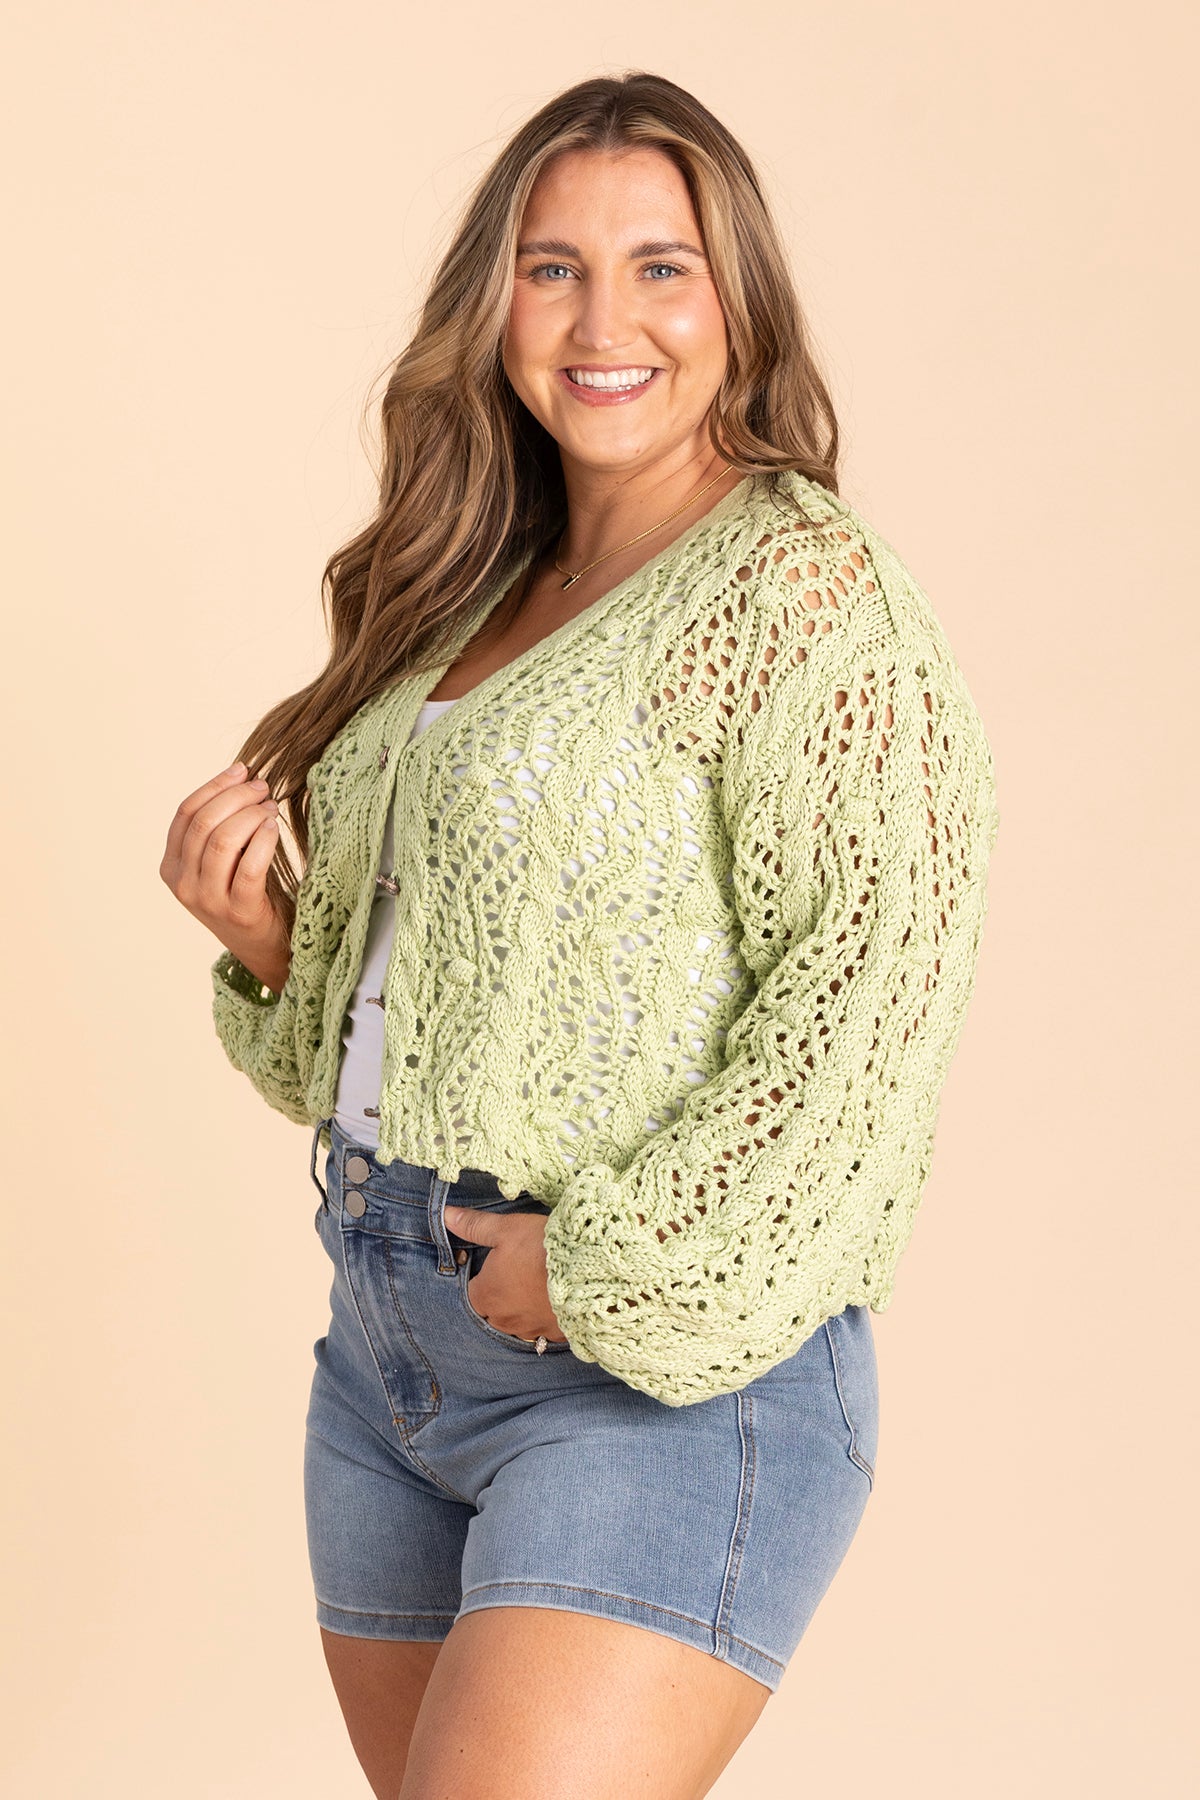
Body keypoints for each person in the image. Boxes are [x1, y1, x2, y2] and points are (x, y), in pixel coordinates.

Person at [161, 70, 998, 1800]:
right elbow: (447, 1010)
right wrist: (277, 950)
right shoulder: (469, 587)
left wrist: (609, 1274)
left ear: (739, 301)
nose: (603, 322)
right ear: (498, 302)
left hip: (655, 1372)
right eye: (553, 269)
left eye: (659, 267)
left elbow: (864, 1015)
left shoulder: (805, 597)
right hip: (384, 1342)